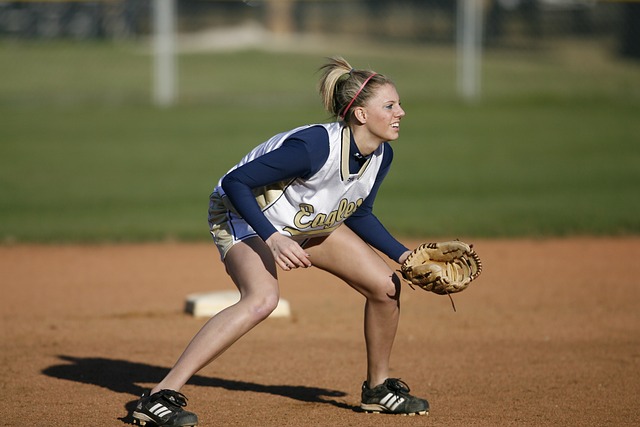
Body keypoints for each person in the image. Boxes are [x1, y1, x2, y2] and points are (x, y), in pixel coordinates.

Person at [132, 56, 429, 427]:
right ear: (361, 115)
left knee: (385, 287)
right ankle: (158, 396)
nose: (401, 111)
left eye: (398, 103)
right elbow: (234, 183)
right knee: (262, 299)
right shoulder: (313, 147)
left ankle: (378, 389)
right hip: (243, 215)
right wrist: (271, 238)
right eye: (389, 105)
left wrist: (405, 256)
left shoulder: (381, 154)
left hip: (303, 221)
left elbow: (358, 212)